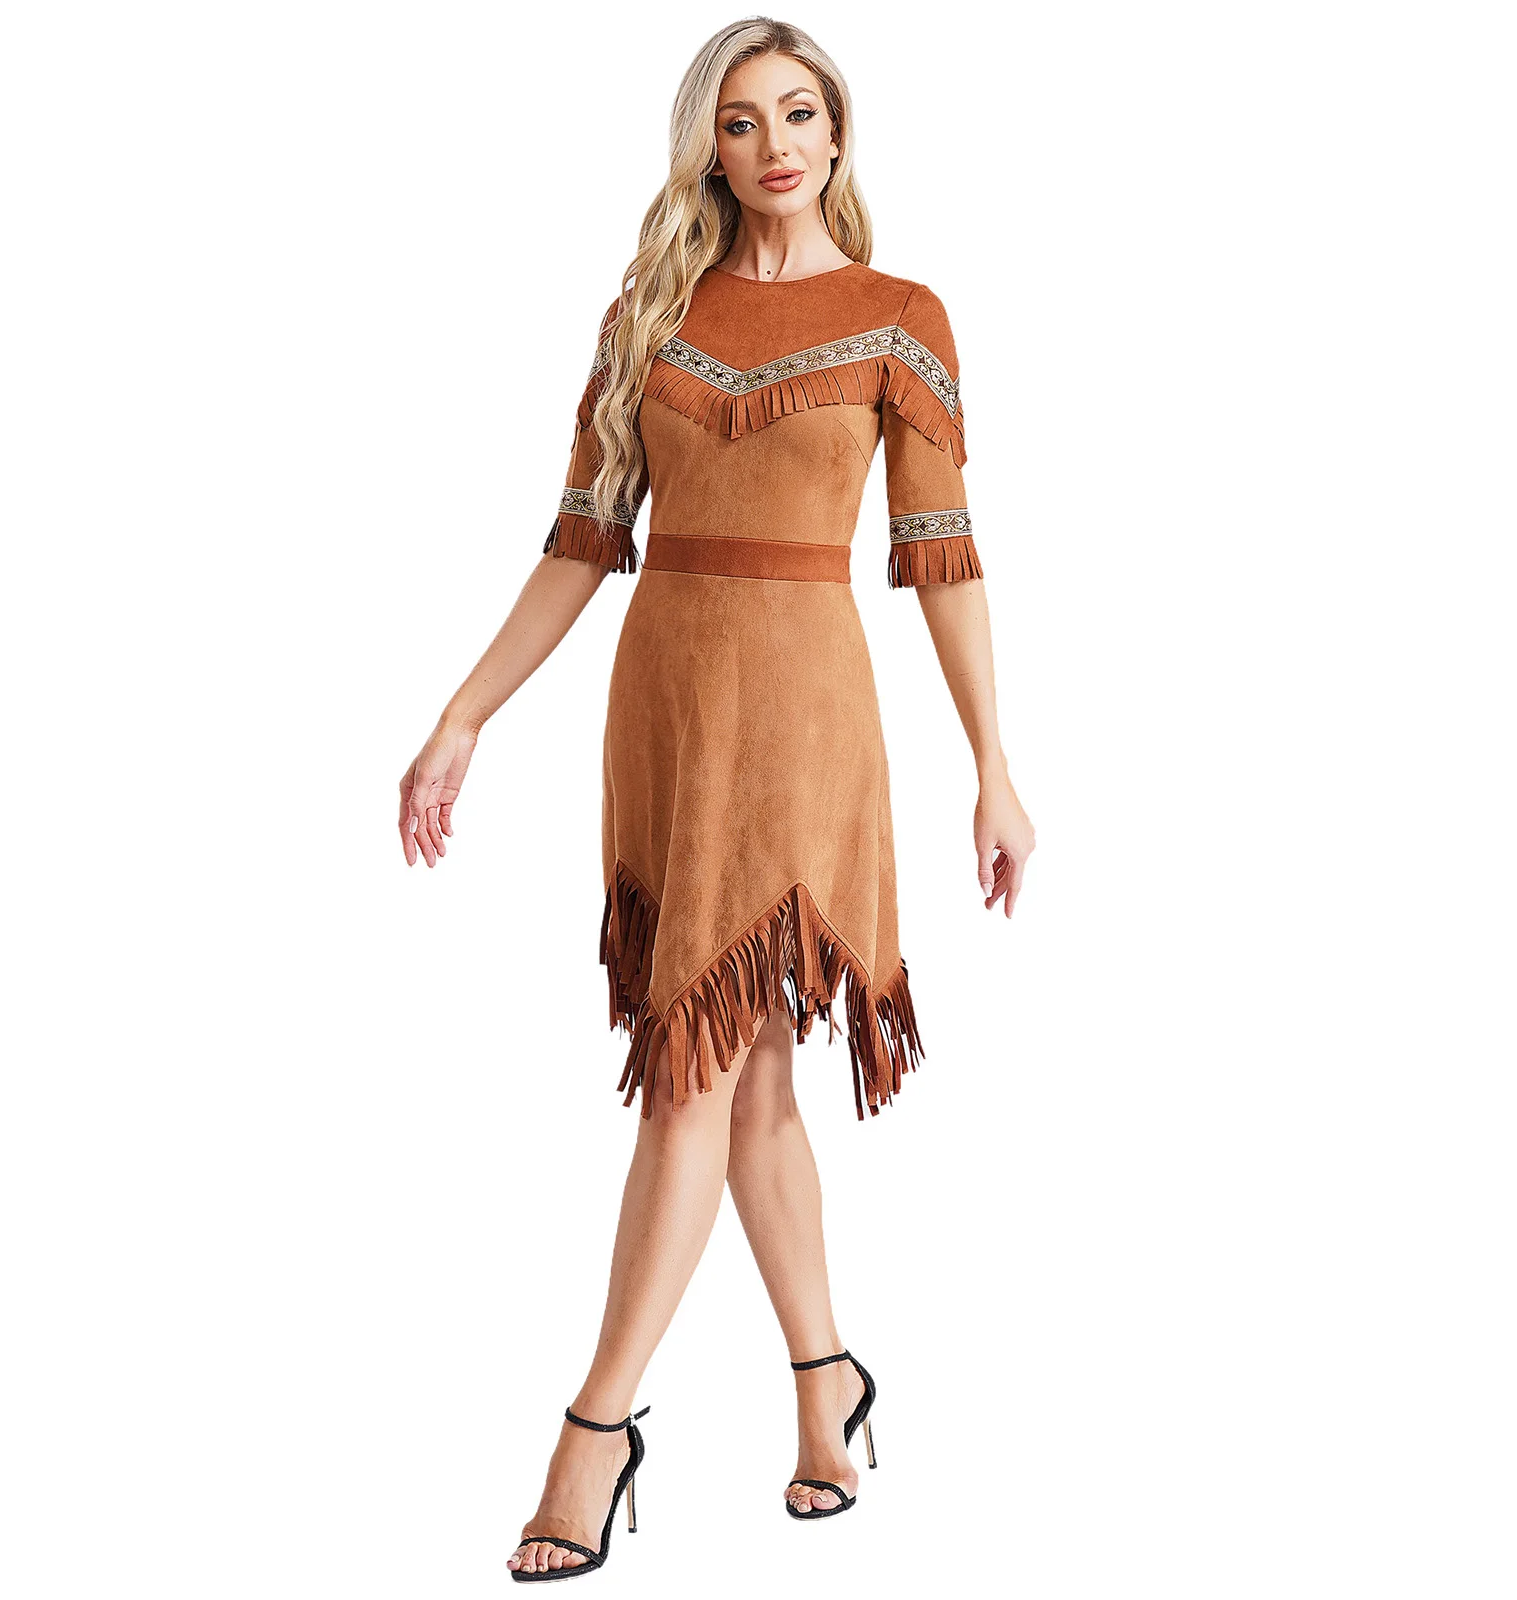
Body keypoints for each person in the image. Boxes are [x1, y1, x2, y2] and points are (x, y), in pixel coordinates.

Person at [397, 18, 1035, 1582]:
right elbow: (579, 541)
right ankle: (830, 1387)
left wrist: (994, 767)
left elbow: (943, 558)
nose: (775, 146)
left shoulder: (901, 317)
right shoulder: (648, 313)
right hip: (670, 709)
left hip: (808, 715)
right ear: (710, 149)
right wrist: (463, 715)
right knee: (747, 1085)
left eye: (799, 114)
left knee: (692, 1074)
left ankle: (595, 1432)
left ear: (838, 130)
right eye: (742, 123)